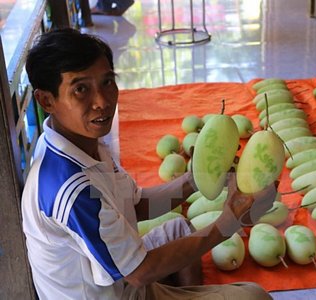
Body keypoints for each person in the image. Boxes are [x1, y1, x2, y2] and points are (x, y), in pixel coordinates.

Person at [21, 28, 277, 299]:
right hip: (123, 288)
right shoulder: (71, 189)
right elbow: (140, 272)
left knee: (178, 228)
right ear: (46, 100)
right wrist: (229, 221)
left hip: (123, 279)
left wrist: (196, 178)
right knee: (253, 296)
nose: (103, 102)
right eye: (81, 89)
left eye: (107, 82)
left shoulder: (80, 142)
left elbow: (137, 205)